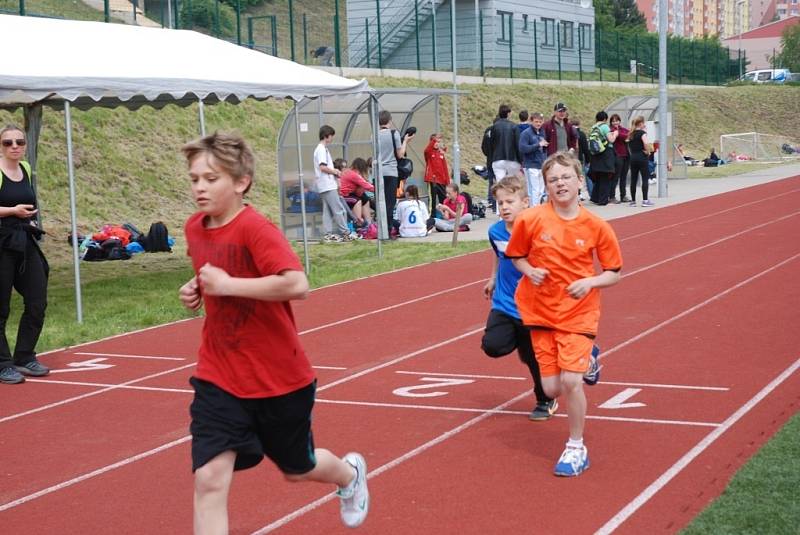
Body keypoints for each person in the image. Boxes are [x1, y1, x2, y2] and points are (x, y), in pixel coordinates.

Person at [178, 131, 369, 533]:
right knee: (209, 479)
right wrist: (196, 289)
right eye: (195, 178)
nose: (199, 187)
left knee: (298, 470)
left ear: (240, 182)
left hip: (279, 380)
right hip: (220, 374)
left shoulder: (255, 229)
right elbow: (213, 276)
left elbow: (296, 284)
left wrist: (228, 284)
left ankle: (349, 475)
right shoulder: (194, 228)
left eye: (211, 179)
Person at [506, 151, 622, 477]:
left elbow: (614, 272)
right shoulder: (530, 220)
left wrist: (589, 282)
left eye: (566, 177)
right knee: (553, 389)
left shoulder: (597, 226)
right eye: (553, 179)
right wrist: (529, 270)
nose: (560, 184)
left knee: (572, 382)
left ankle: (575, 447)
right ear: (546, 186)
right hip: (539, 311)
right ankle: (589, 359)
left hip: (578, 312)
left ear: (579, 181)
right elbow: (516, 256)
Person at [481, 175, 556, 421]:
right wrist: (492, 278)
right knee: (492, 346)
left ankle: (545, 399)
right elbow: (499, 255)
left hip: (533, 306)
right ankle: (525, 343)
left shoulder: (538, 230)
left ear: (525, 202)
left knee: (534, 358)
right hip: (504, 302)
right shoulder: (495, 231)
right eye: (500, 203)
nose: (503, 207)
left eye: (509, 202)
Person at [0, 125, 50, 385]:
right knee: (1, 307)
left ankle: (24, 355)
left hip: (24, 239)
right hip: (2, 242)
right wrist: (12, 211)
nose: (15, 146)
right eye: (8, 143)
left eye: (19, 141)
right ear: (1, 146)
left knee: (37, 300)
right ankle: (2, 363)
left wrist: (28, 219)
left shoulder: (26, 169)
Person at [314, 125, 354, 243]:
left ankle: (328, 234)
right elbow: (322, 167)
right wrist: (335, 171)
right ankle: (346, 233)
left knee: (328, 211)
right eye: (331, 136)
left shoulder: (321, 149)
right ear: (326, 136)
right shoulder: (321, 149)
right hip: (327, 184)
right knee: (339, 209)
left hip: (324, 185)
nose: (332, 139)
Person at [378, 110, 414, 234]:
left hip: (378, 173)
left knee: (380, 201)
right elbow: (400, 154)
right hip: (391, 172)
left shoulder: (374, 135)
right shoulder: (394, 134)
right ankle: (388, 230)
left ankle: (381, 229)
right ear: (389, 120)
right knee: (390, 202)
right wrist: (405, 142)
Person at [588, 111, 619, 206]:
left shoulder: (593, 127)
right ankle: (603, 200)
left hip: (596, 154)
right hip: (605, 154)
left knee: (599, 177)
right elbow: (611, 140)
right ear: (605, 119)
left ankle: (595, 198)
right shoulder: (604, 127)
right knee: (606, 177)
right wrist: (615, 134)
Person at [518, 112, 548, 205]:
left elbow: (543, 148)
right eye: (536, 122)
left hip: (541, 164)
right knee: (534, 190)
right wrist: (537, 145)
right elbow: (522, 148)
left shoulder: (542, 132)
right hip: (530, 165)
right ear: (531, 121)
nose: (538, 124)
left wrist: (544, 147)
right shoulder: (526, 133)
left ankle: (538, 208)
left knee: (540, 190)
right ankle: (534, 210)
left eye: (540, 121)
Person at [488, 104, 522, 180]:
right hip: (512, 159)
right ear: (508, 114)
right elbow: (518, 144)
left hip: (497, 158)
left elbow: (491, 144)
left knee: (500, 182)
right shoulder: (514, 126)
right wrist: (521, 159)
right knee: (512, 182)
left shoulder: (494, 127)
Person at [626, 116, 654, 207]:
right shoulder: (642, 133)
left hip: (633, 157)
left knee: (633, 179)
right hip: (642, 157)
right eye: (643, 123)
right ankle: (645, 200)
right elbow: (645, 143)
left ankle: (633, 201)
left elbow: (629, 146)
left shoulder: (630, 134)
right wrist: (648, 152)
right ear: (641, 123)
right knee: (645, 178)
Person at [339, 157, 375, 227]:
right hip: (342, 197)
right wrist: (381, 190)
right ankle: (358, 223)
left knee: (365, 199)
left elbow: (359, 192)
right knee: (357, 201)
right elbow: (368, 186)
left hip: (347, 195)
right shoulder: (354, 174)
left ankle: (369, 224)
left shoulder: (350, 171)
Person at [423, 133, 450, 210]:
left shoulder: (441, 153)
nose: (437, 144)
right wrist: (435, 139)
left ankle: (444, 214)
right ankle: (432, 215)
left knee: (444, 198)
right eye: (435, 142)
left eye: (438, 142)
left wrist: (447, 181)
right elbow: (427, 150)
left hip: (442, 180)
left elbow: (445, 168)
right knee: (433, 198)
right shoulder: (429, 152)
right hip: (432, 179)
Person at [609, 113, 631, 204]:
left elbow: (629, 135)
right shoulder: (610, 130)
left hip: (626, 155)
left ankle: (623, 196)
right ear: (611, 122)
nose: (615, 122)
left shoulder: (622, 130)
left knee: (624, 177)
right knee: (615, 177)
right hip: (617, 156)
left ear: (619, 121)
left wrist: (619, 134)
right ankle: (612, 196)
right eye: (613, 121)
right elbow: (624, 136)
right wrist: (621, 135)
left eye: (617, 120)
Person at [572, 117, 592, 199]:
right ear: (579, 125)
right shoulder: (582, 134)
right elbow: (585, 149)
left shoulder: (569, 133)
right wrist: (588, 159)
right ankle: (581, 193)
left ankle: (575, 193)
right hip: (579, 158)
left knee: (573, 176)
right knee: (580, 176)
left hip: (571, 158)